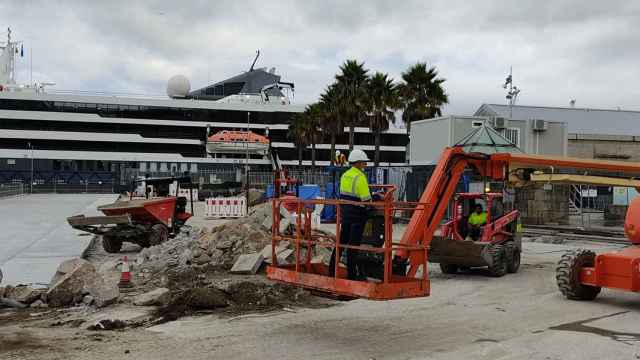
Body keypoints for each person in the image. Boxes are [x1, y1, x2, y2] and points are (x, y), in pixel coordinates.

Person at [328, 149, 372, 280]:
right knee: (353, 247)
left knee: (341, 244)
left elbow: (347, 195)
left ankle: (331, 271)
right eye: (364, 163)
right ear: (358, 163)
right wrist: (376, 197)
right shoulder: (360, 177)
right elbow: (367, 201)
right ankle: (352, 275)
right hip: (358, 216)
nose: (365, 165)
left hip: (346, 215)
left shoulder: (345, 175)